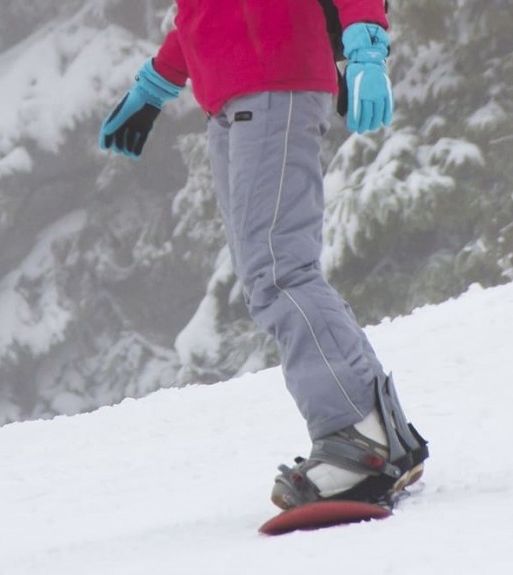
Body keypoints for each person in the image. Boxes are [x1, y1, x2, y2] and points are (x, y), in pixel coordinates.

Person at [99, 0, 427, 509]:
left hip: (276, 79)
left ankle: (358, 440)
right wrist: (153, 87)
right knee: (269, 274)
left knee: (279, 272)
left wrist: (365, 49)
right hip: (232, 97)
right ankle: (380, 435)